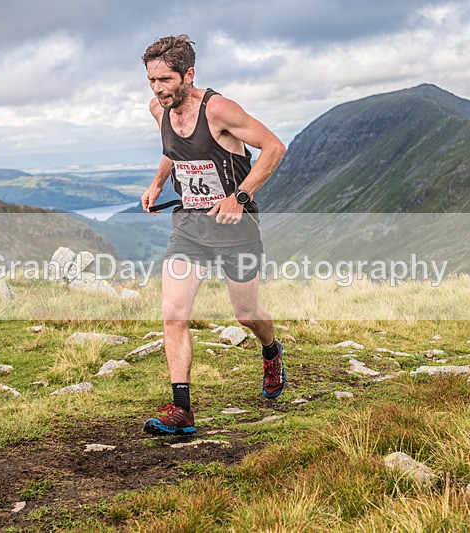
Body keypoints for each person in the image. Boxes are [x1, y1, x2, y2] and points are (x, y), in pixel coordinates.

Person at [139, 35, 287, 436]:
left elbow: (274, 147)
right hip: (190, 228)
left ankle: (270, 350)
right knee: (173, 313)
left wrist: (240, 196)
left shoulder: (218, 109)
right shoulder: (158, 109)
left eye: (166, 79)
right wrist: (157, 183)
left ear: (188, 74)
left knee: (246, 314)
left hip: (236, 229)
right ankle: (181, 410)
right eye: (152, 80)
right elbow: (173, 150)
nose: (158, 89)